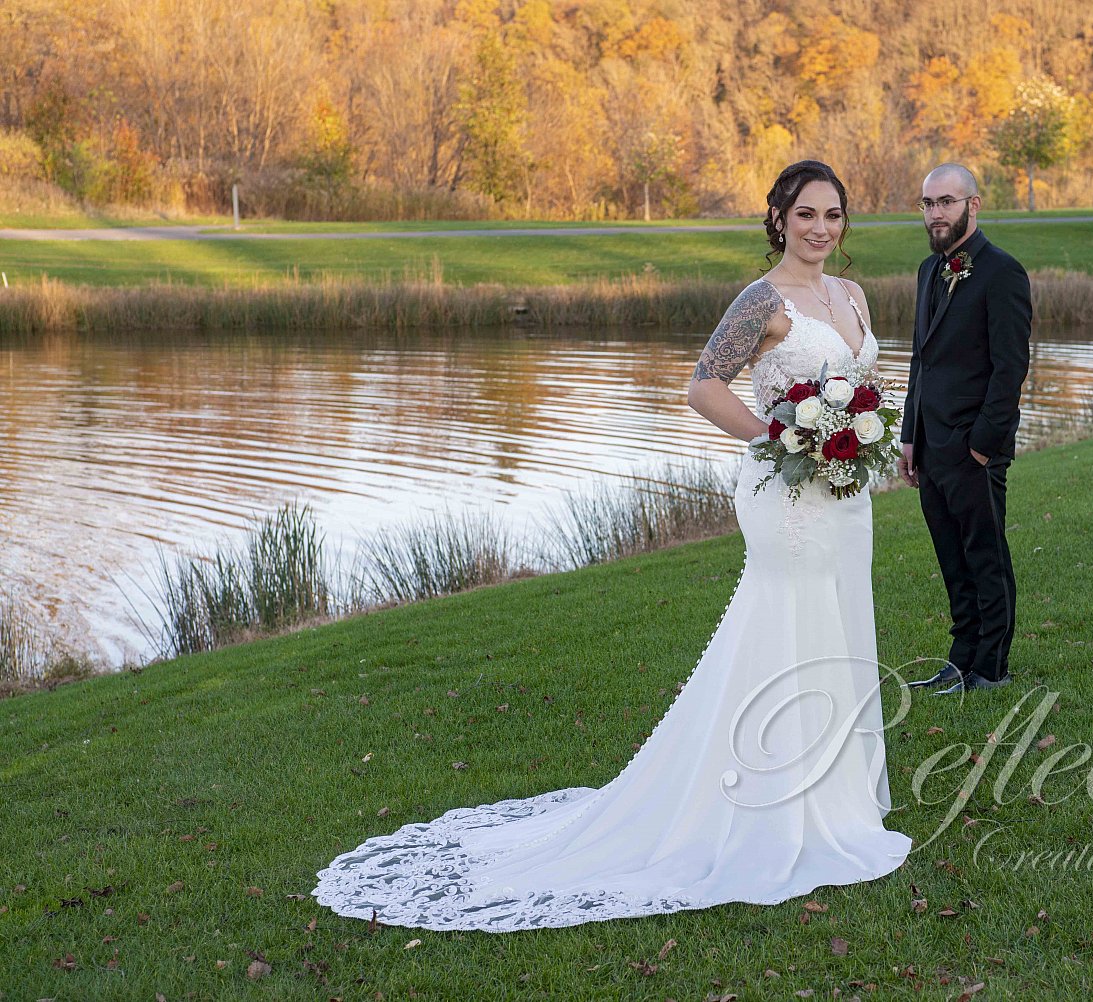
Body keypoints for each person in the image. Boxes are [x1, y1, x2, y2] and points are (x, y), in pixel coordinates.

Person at [310, 160, 911, 933]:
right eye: (805, 216)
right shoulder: (761, 302)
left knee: (837, 617)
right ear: (778, 220)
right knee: (785, 626)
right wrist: (780, 433)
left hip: (845, 493)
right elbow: (702, 386)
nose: (820, 229)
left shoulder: (853, 296)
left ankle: (834, 792)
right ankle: (767, 802)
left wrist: (860, 434)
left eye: (832, 215)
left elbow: (866, 383)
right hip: (785, 492)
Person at [897, 163, 1032, 695]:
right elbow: (920, 360)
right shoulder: (929, 271)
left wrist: (982, 447)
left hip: (974, 448)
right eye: (928, 204)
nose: (936, 214)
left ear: (973, 205)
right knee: (952, 561)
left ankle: (992, 669)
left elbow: (1009, 371)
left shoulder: (1003, 273)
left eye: (946, 203)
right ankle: (960, 660)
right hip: (930, 447)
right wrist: (910, 436)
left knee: (985, 557)